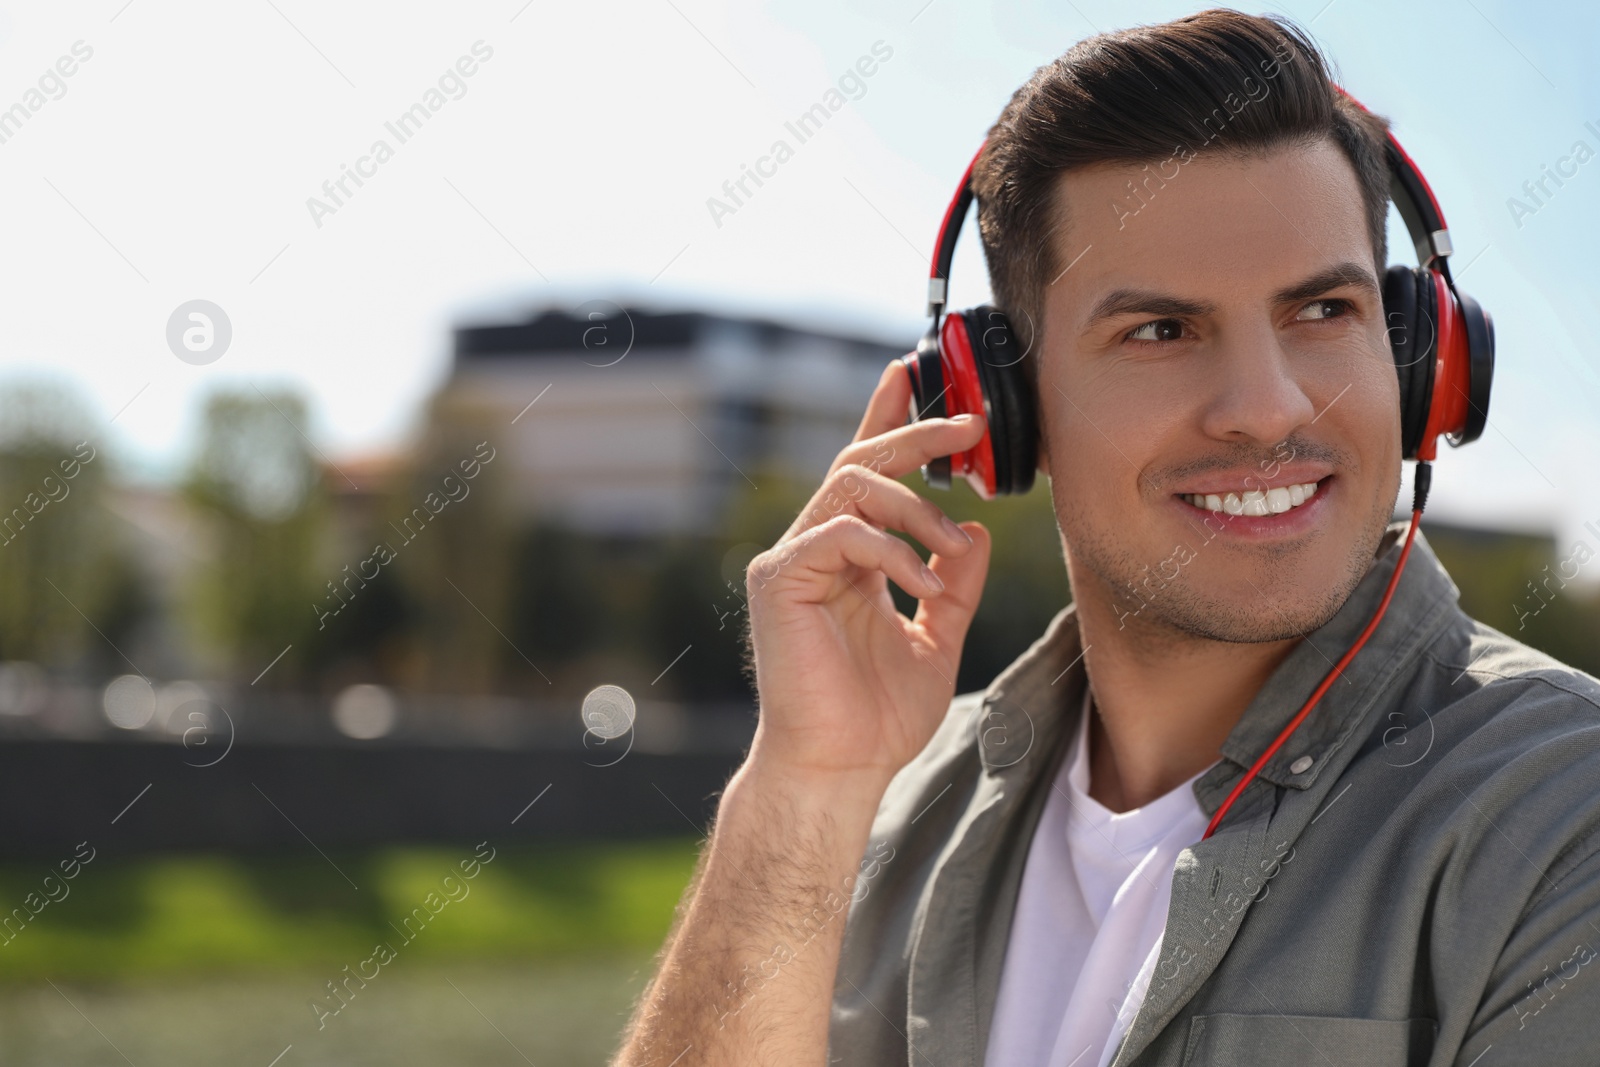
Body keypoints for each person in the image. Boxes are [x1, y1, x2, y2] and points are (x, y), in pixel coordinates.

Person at [614, 9, 1600, 1066]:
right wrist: (803, 786)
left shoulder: (1559, 817)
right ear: (1001, 409)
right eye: (1160, 330)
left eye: (1321, 310)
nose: (1267, 410)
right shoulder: (882, 806)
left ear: (1422, 360)